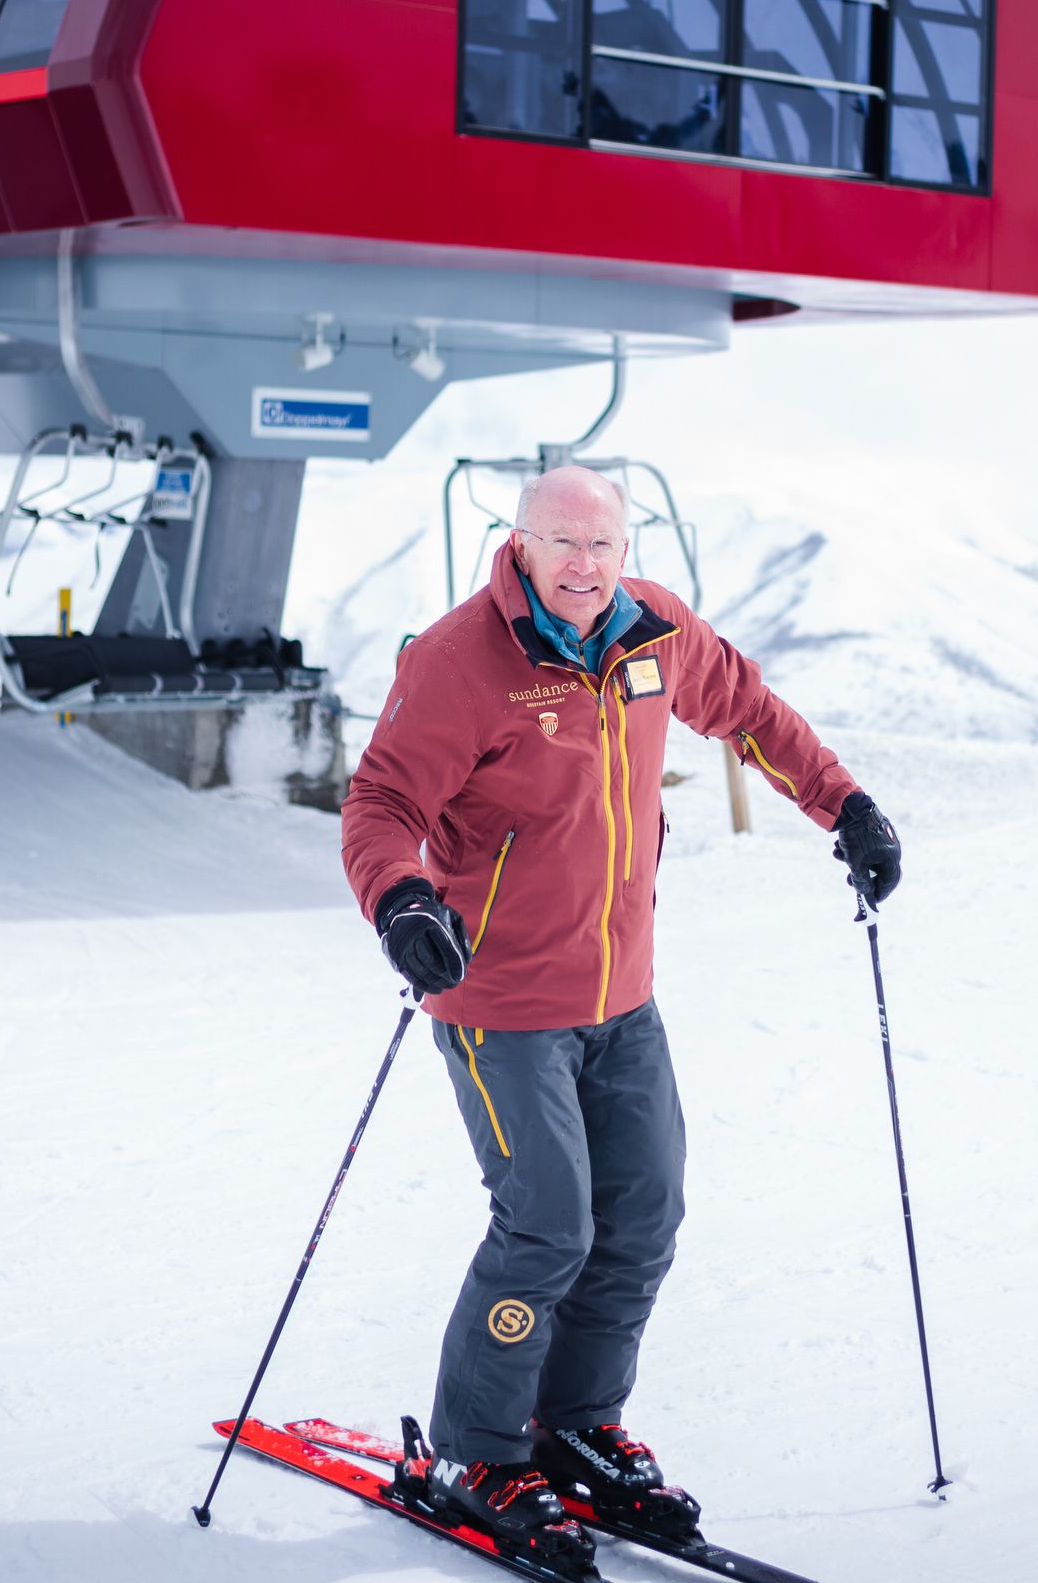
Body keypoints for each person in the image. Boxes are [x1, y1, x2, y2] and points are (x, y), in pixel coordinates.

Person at [341, 465, 902, 1575]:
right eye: (564, 543)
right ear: (522, 544)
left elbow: (750, 712)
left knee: (643, 1213)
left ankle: (574, 1424)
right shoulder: (460, 661)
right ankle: (476, 1452)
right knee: (548, 1224)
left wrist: (846, 802)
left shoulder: (653, 634)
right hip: (498, 1001)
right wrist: (402, 900)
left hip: (621, 995)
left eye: (604, 545)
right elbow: (382, 803)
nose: (586, 566)